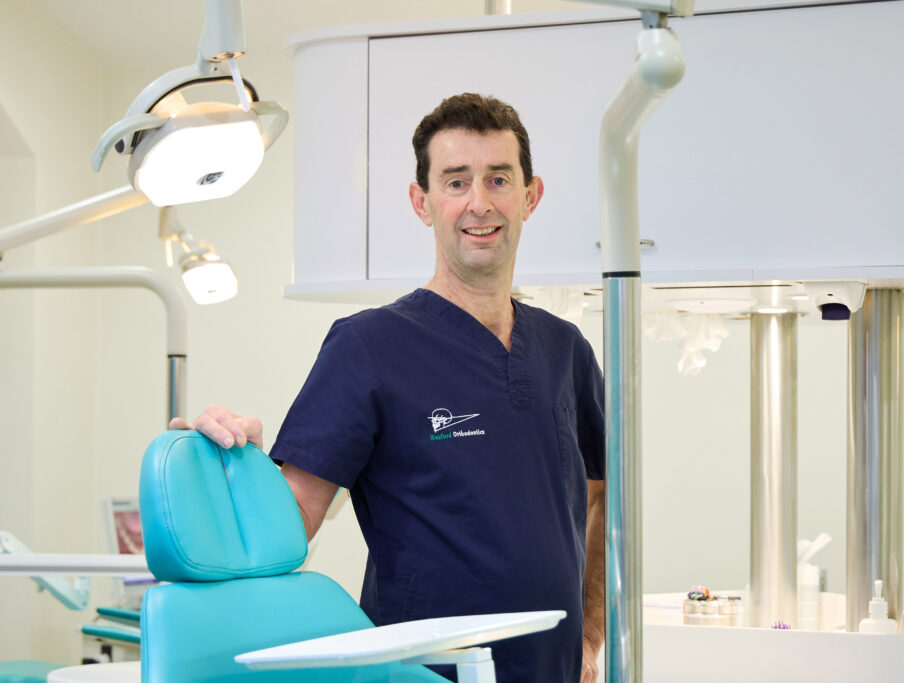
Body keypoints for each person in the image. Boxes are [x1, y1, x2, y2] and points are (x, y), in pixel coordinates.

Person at [171, 93, 605, 683]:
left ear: (530, 196)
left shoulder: (566, 351)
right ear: (422, 203)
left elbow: (599, 499)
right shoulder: (369, 346)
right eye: (455, 182)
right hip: (421, 676)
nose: (479, 202)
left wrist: (592, 634)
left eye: (498, 178)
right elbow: (290, 520)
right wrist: (222, 468)